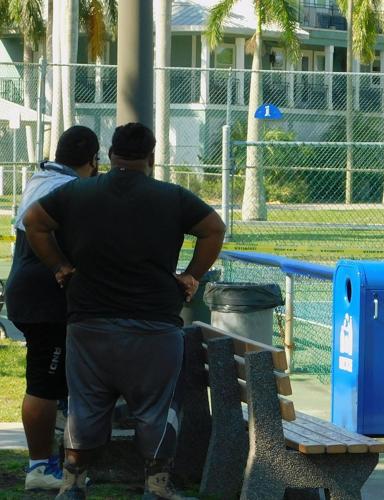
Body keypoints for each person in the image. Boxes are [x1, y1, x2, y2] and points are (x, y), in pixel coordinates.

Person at [23, 122, 226, 500]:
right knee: (156, 407)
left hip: (88, 322)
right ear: (151, 157)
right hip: (155, 325)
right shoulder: (173, 197)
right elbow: (214, 229)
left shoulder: (75, 193)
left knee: (84, 405)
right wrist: (191, 276)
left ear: (111, 154)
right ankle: (156, 485)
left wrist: (59, 267)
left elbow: (34, 223)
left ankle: (72, 482)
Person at [5, 125, 100, 491]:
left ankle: (50, 460)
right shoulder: (68, 189)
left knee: (53, 380)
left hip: (29, 293)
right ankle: (39, 467)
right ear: (93, 159)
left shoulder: (44, 177)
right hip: (43, 299)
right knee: (44, 383)